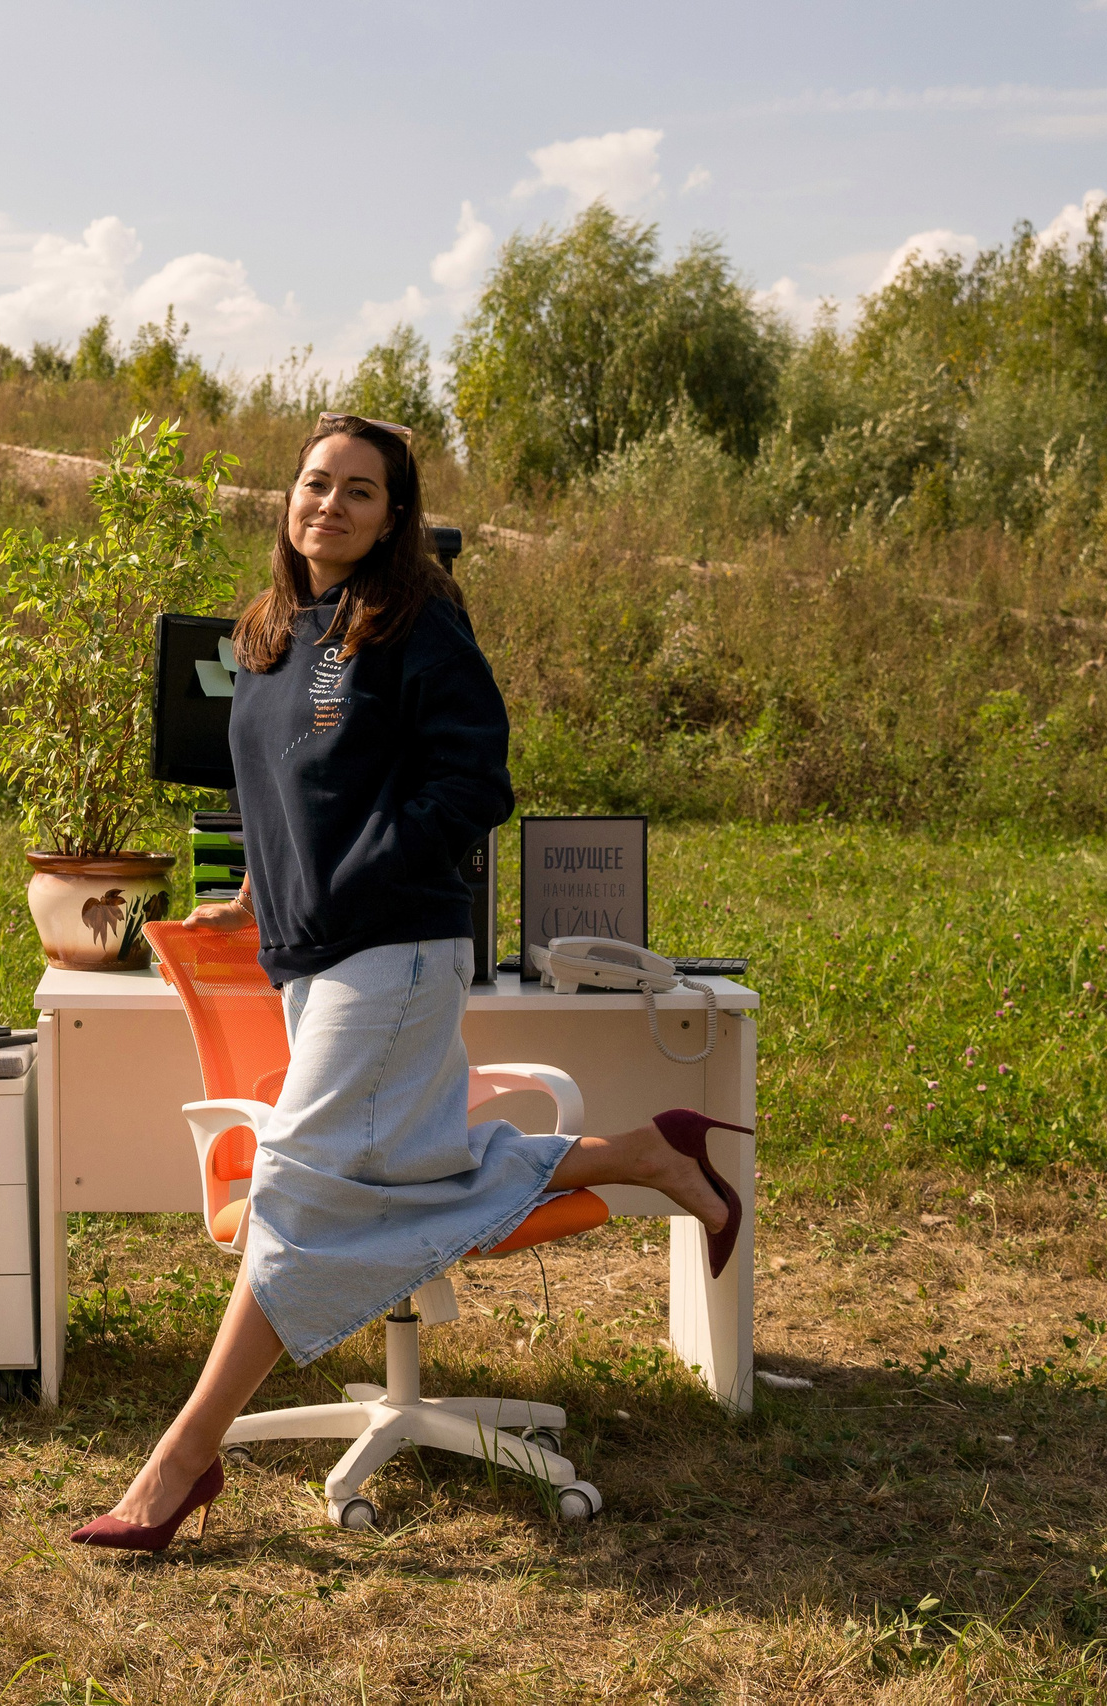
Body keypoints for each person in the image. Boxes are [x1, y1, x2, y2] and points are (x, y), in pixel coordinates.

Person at [69, 413, 745, 1552]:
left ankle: (179, 1463)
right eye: (314, 483)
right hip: (311, 952)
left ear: (395, 516)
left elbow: (474, 781)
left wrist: (363, 875)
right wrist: (258, 893)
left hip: (392, 953)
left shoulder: (416, 623)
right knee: (417, 1163)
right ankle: (651, 1151)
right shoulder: (274, 631)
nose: (327, 504)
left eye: (358, 491)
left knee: (296, 1190)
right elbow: (284, 790)